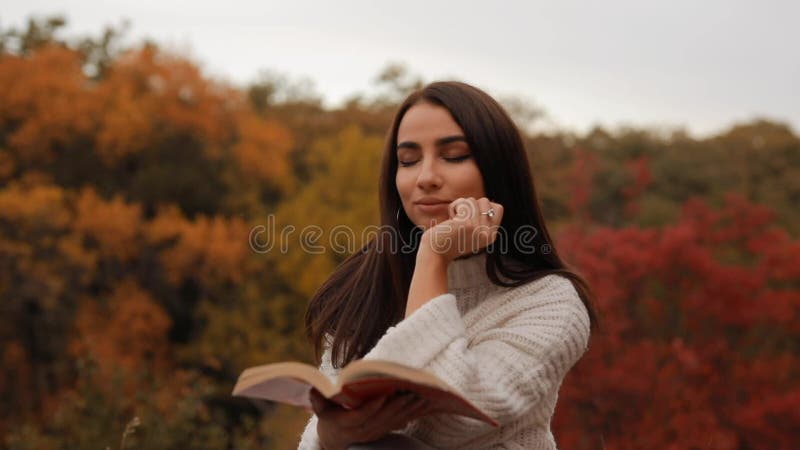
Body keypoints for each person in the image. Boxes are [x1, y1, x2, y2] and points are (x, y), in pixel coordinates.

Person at [297, 81, 597, 450]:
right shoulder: (364, 289)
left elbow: (448, 423)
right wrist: (327, 435)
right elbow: (320, 434)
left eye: (453, 156)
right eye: (407, 161)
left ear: (498, 171)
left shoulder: (551, 303)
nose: (425, 178)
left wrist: (434, 257)